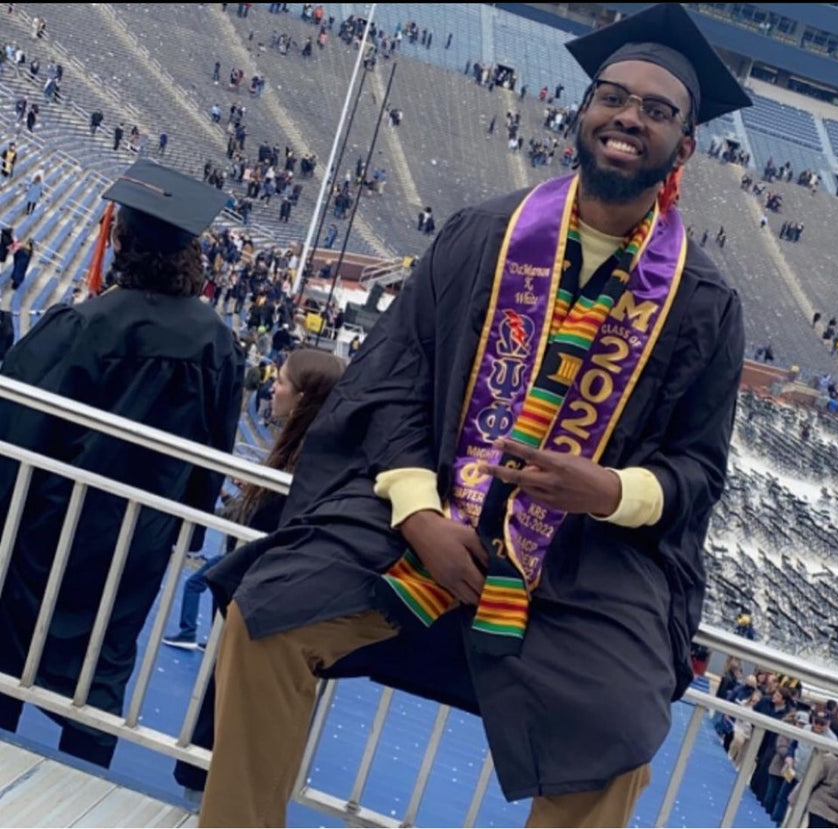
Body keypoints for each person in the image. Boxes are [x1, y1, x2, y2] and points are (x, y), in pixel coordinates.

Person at [199, 5, 748, 826]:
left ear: (685, 144)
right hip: (421, 516)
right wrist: (419, 510)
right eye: (612, 97)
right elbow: (390, 380)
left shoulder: (704, 304)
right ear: (583, 115)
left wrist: (608, 489)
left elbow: (698, 471)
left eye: (658, 110)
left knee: (618, 739)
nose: (629, 116)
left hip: (582, 561)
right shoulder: (481, 236)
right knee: (268, 614)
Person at [0, 160, 245, 768]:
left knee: (10, 647)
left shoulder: (85, 324)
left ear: (121, 242)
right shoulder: (217, 344)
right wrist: (182, 521)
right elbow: (212, 454)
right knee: (105, 656)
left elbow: (19, 420)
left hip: (49, 524)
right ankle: (88, 776)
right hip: (139, 534)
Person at [170, 348, 346, 796]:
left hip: (260, 620)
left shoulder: (308, 472)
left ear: (304, 396)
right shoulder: (311, 461)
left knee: (233, 742)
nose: (273, 386)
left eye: (282, 381)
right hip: (254, 616)